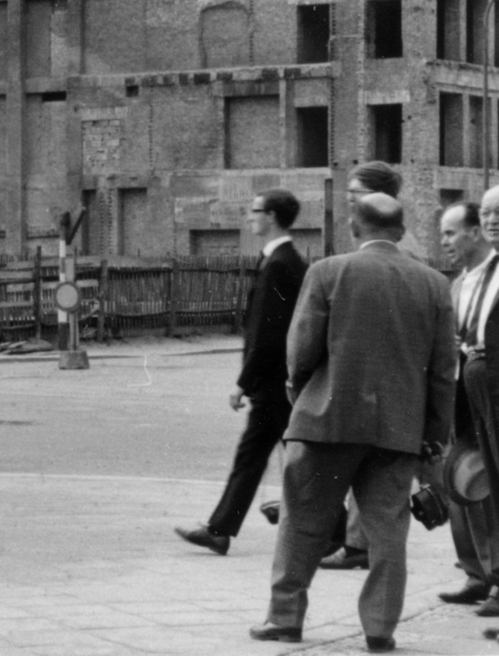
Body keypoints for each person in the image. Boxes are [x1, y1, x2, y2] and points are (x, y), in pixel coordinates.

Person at [250, 194, 457, 651]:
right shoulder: (434, 284)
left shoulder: (328, 271)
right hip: (398, 429)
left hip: (326, 420)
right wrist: (433, 434)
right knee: (388, 533)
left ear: (353, 227)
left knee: (302, 522)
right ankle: (380, 629)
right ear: (401, 231)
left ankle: (285, 618)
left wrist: (301, 392)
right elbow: (444, 370)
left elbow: (301, 348)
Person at [177, 189, 308, 555]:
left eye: (255, 210)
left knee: (281, 461)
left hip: (273, 384)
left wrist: (243, 383)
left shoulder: (279, 264)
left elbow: (268, 333)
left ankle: (340, 532)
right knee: (269, 459)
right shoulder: (284, 259)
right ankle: (220, 529)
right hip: (279, 383)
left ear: (272, 217)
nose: (249, 216)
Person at [323, 160, 418, 571]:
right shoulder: (382, 242)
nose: (348, 201)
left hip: (386, 376)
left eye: (355, 194)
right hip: (378, 374)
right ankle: (359, 543)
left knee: (381, 470)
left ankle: (364, 547)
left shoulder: (400, 250)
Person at [437, 199, 499, 612]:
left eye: (450, 232)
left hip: (490, 388)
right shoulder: (459, 283)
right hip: (462, 392)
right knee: (464, 477)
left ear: (473, 233)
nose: (444, 242)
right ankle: (478, 572)